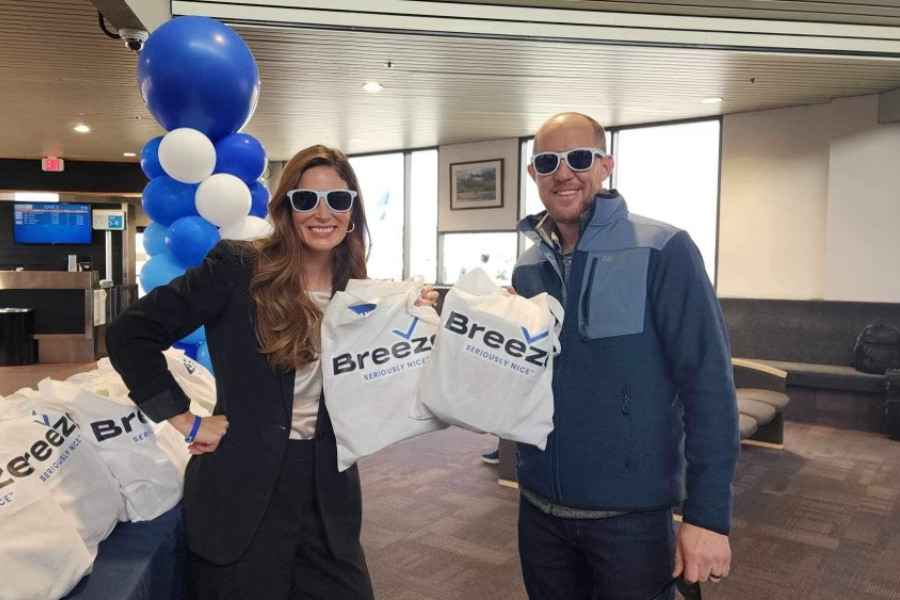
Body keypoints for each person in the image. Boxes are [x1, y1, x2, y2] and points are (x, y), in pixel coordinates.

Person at [106, 145, 437, 600]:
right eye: (306, 200)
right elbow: (131, 333)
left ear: (352, 210)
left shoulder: (362, 290)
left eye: (338, 200)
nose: (323, 213)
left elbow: (385, 388)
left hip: (326, 489)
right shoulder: (237, 269)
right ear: (286, 207)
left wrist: (413, 326)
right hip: (241, 488)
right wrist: (183, 416)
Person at [511, 113, 740, 600]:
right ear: (533, 174)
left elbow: (710, 386)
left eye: (579, 158)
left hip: (630, 520)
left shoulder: (662, 249)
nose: (564, 173)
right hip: (538, 511)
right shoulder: (527, 267)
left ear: (605, 165)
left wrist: (707, 515)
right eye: (548, 162)